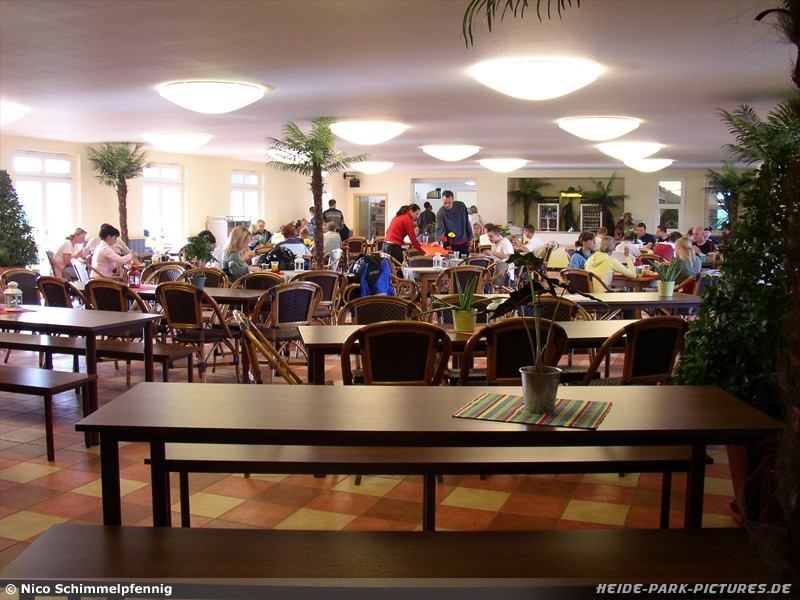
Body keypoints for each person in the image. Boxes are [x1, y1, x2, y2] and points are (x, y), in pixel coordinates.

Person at [435, 190, 472, 256]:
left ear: (453, 199)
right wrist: (437, 240)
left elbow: (467, 222)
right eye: (445, 203)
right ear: (442, 201)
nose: (447, 205)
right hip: (449, 243)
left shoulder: (461, 206)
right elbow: (439, 228)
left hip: (463, 241)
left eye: (449, 202)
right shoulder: (440, 213)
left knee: (465, 261)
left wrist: (470, 237)